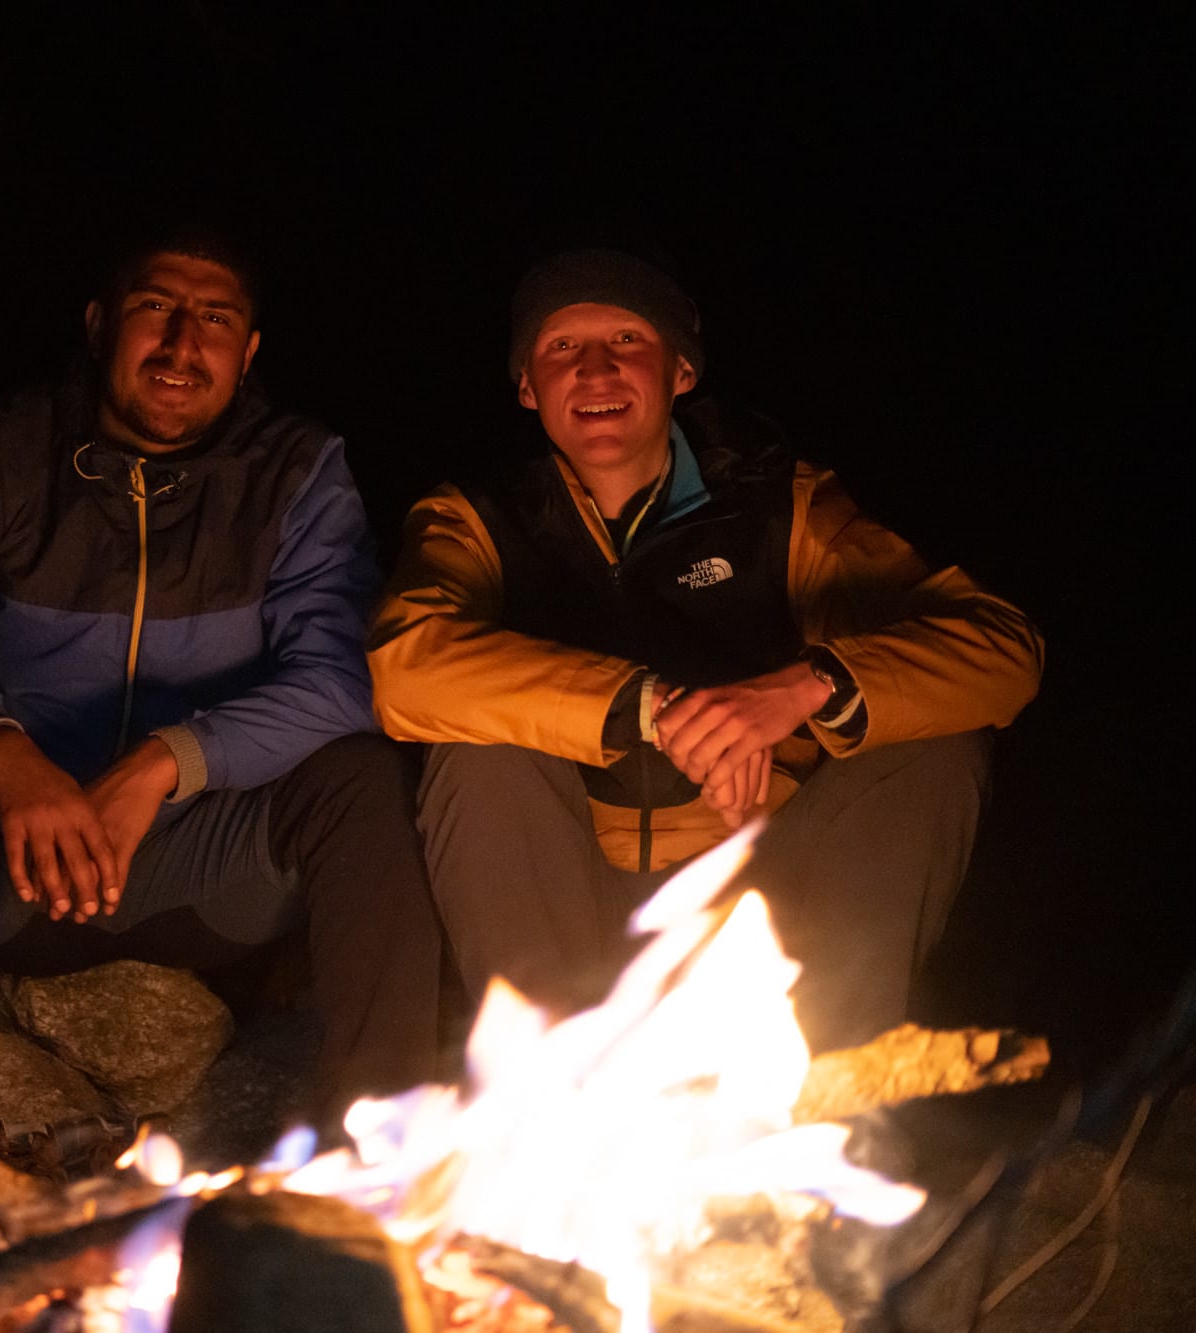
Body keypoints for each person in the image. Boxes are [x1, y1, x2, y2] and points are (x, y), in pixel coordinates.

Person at [0, 226, 445, 1282]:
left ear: (248, 348)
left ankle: (372, 1202)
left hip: (198, 863)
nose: (182, 343)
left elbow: (335, 677)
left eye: (215, 320)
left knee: (364, 784)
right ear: (100, 325)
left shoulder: (295, 473)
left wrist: (165, 763)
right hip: (8, 856)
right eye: (156, 309)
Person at [367, 247, 1044, 1055]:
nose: (593, 370)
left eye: (625, 340)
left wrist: (810, 686)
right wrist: (650, 707)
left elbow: (1005, 647)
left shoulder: (783, 508)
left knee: (933, 743)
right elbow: (405, 663)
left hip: (757, 908)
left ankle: (823, 1096)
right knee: (474, 753)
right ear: (526, 386)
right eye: (560, 348)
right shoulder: (478, 520)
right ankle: (559, 1098)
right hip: (572, 911)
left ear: (680, 370)